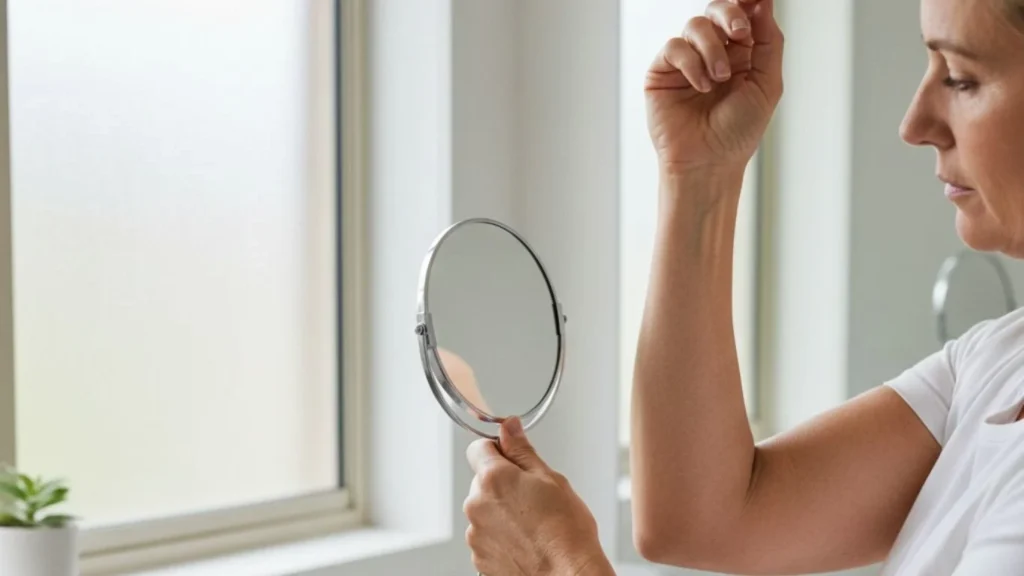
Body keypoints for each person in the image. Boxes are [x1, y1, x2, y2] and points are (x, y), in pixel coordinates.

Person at [462, 0, 1024, 574]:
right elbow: (698, 518)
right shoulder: (999, 362)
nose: (914, 124)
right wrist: (699, 176)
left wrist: (558, 562)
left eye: (961, 78)